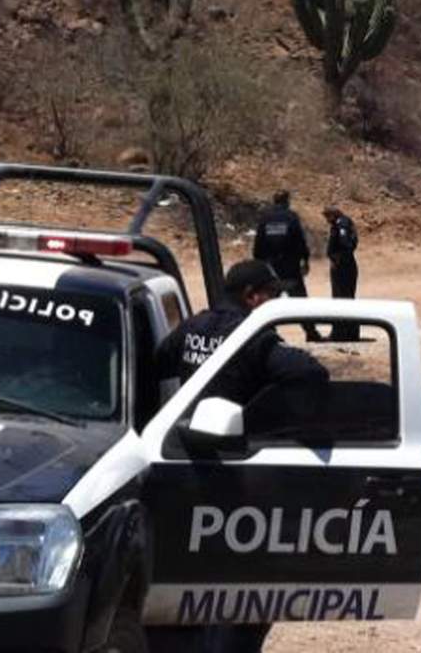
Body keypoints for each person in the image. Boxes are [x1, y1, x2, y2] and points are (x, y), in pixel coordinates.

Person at [152, 259, 328, 653]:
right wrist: (270, 413)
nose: (276, 302)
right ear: (252, 296)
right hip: (235, 475)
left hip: (179, 461)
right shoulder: (253, 337)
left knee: (187, 578)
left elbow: (159, 360)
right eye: (273, 295)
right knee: (241, 587)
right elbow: (309, 374)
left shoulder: (193, 327)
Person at [253, 190, 319, 341]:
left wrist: (259, 264)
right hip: (290, 268)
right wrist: (305, 259)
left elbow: (259, 244)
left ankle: (266, 331)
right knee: (300, 302)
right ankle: (311, 332)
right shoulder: (291, 217)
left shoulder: (265, 218)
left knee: (268, 302)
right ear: (286, 201)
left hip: (271, 268)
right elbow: (300, 241)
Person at [323, 206, 359, 341]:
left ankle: (340, 334)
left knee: (340, 299)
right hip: (346, 265)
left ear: (333, 214)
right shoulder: (344, 222)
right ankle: (350, 333)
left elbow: (346, 244)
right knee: (347, 298)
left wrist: (337, 259)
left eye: (327, 217)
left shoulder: (341, 224)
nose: (327, 220)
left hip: (343, 268)